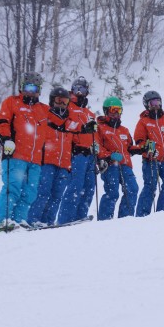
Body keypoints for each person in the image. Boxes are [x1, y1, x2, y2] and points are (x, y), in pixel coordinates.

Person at [0, 71, 65, 232]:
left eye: (34, 88)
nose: (31, 91)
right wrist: (6, 139)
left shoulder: (43, 109)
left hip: (36, 159)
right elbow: (2, 121)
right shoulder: (12, 102)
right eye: (28, 87)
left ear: (39, 90)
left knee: (30, 192)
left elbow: (61, 123)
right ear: (22, 87)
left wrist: (83, 127)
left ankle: (19, 220)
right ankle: (0, 221)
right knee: (13, 188)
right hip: (16, 155)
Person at [27, 87, 73, 227]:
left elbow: (77, 140)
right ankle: (33, 220)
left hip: (64, 164)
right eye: (58, 100)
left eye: (65, 101)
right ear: (52, 101)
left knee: (57, 195)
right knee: (43, 192)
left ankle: (48, 221)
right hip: (46, 161)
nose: (61, 104)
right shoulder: (44, 117)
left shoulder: (70, 122)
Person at [134, 91, 164, 215]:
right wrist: (146, 147)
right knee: (150, 187)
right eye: (153, 103)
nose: (156, 105)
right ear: (147, 105)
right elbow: (139, 141)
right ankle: (142, 215)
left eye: (158, 102)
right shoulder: (143, 122)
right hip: (151, 159)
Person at [57, 76, 98, 224]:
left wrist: (97, 152)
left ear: (87, 92)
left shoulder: (90, 113)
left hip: (90, 155)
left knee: (89, 188)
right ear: (72, 90)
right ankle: (65, 218)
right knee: (75, 186)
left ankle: (80, 216)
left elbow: (95, 135)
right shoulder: (68, 107)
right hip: (76, 152)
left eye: (83, 89)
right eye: (77, 89)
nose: (79, 92)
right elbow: (64, 124)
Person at [96, 97, 142, 220]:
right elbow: (97, 146)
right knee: (112, 193)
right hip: (110, 164)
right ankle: (105, 220)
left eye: (119, 110)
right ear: (106, 111)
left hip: (125, 164)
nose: (116, 113)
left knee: (132, 189)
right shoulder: (100, 128)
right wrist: (108, 155)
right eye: (113, 110)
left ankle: (125, 218)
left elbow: (129, 148)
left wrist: (143, 148)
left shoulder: (124, 130)